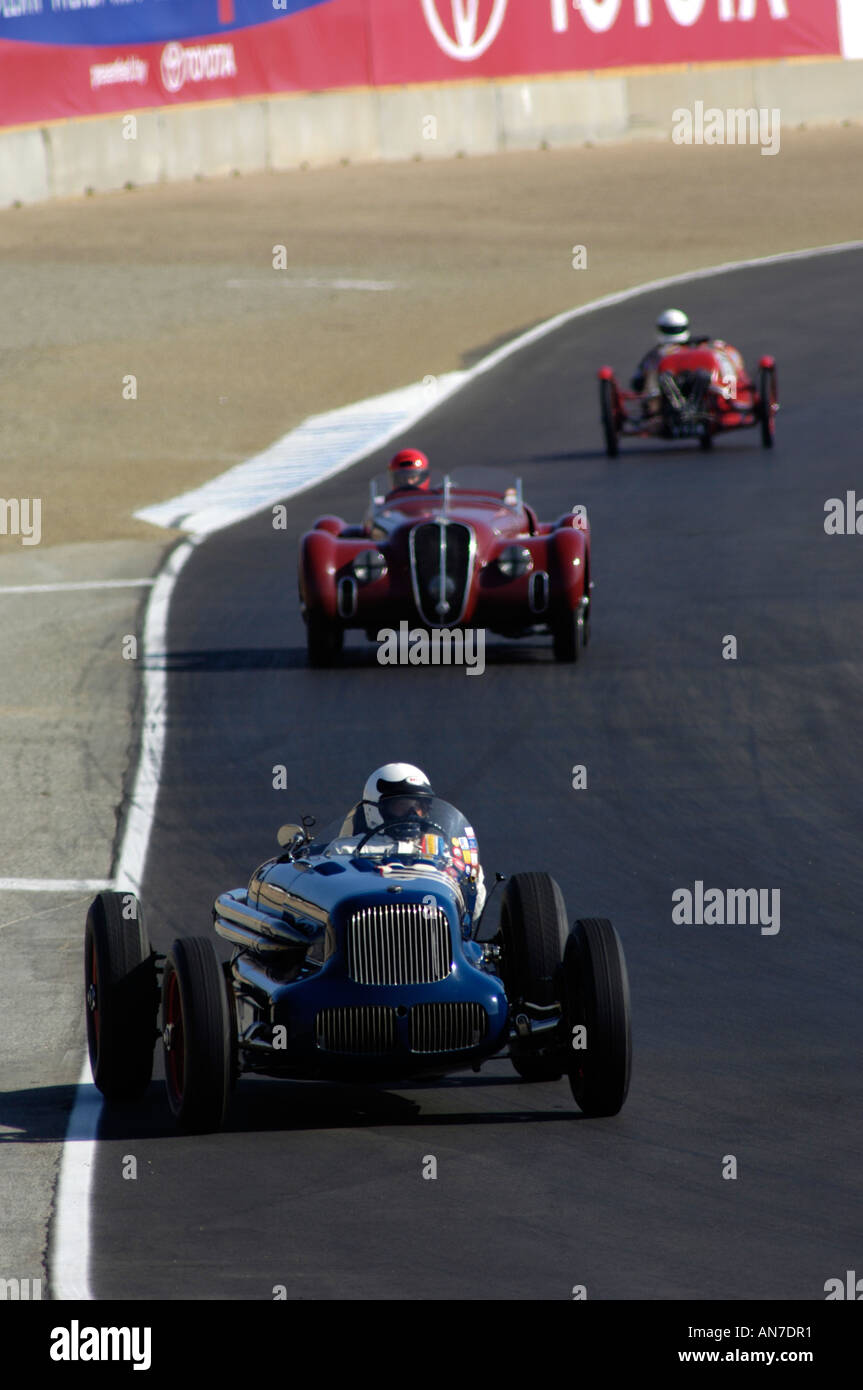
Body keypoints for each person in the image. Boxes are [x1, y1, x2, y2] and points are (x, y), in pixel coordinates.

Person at [338, 763, 487, 919]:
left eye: (420, 806)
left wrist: (470, 876)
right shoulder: (346, 850)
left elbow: (473, 911)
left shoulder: (442, 852)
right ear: (375, 809)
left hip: (431, 929)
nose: (413, 814)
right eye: (402, 806)